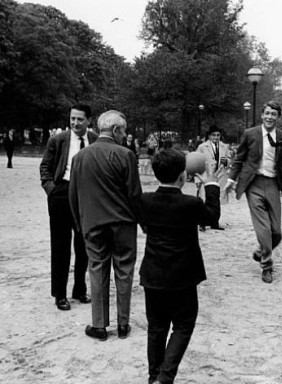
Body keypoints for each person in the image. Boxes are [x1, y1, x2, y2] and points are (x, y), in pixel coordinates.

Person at [139, 149, 220, 384]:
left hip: (153, 273)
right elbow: (212, 217)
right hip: (183, 275)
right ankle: (165, 377)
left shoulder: (144, 200)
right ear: (183, 176)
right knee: (183, 325)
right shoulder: (191, 203)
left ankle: (154, 375)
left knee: (156, 328)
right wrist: (211, 184)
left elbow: (143, 224)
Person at [69, 110, 143, 341]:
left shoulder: (79, 157)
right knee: (124, 272)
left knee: (97, 269)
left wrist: (80, 223)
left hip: (93, 223)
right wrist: (142, 220)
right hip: (123, 223)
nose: (125, 135)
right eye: (123, 130)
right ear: (115, 130)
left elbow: (73, 196)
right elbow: (134, 194)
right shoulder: (126, 155)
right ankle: (123, 324)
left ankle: (99, 325)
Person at [224, 101, 282, 284]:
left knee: (277, 232)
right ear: (262, 115)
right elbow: (239, 159)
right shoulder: (250, 134)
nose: (269, 117)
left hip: (274, 184)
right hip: (254, 184)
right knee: (264, 229)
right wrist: (231, 180)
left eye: (273, 114)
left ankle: (261, 252)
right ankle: (267, 265)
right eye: (267, 113)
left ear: (278, 117)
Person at [39, 104, 97, 311]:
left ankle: (79, 289)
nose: (75, 123)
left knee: (83, 246)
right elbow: (45, 166)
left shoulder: (95, 140)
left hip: (86, 196)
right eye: (72, 119)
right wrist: (51, 189)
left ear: (89, 120)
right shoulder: (58, 140)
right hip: (62, 193)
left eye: (80, 119)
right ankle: (60, 294)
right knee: (60, 246)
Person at [196, 124, 230, 230]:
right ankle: (202, 223)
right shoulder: (202, 147)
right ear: (209, 136)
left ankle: (215, 222)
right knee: (205, 199)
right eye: (213, 135)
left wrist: (227, 161)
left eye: (218, 135)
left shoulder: (225, 147)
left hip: (219, 175)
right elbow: (196, 162)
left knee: (216, 201)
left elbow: (229, 160)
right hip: (206, 176)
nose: (216, 137)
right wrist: (197, 179)